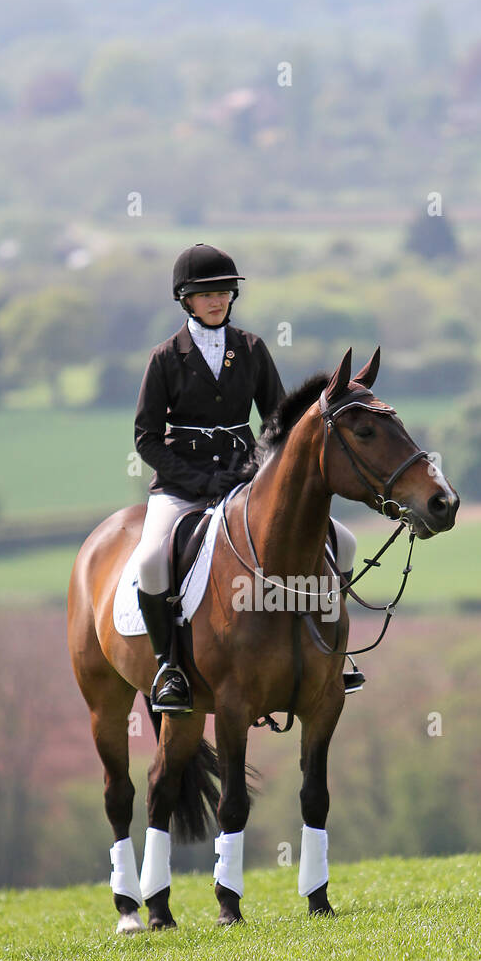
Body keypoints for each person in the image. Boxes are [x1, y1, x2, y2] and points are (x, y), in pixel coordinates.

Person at [134, 242, 363, 713]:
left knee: (344, 541)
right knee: (152, 560)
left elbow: (279, 425)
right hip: (182, 487)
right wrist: (198, 483)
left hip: (244, 480)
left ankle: (334, 651)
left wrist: (257, 473)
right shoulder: (164, 358)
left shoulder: (252, 350)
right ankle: (167, 667)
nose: (217, 300)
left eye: (224, 292)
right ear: (185, 300)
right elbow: (147, 440)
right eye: (206, 294)